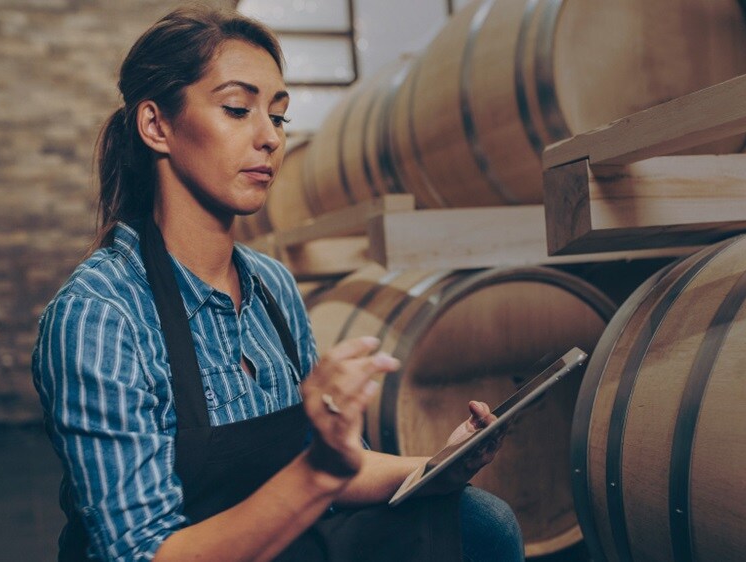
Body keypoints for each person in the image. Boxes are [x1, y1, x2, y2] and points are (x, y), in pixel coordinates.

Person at [31, 6, 525, 562]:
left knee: (479, 522)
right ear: (156, 126)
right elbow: (140, 554)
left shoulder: (270, 284)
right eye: (238, 109)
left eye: (280, 117)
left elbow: (339, 465)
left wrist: (437, 465)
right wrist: (317, 475)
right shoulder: (100, 315)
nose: (269, 137)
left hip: (288, 546)